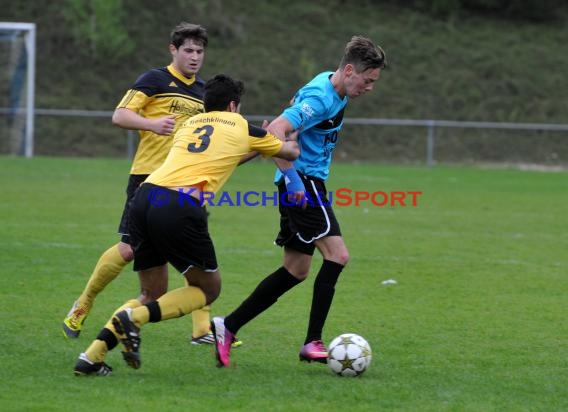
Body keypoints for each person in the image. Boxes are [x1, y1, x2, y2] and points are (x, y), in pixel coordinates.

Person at [73, 74, 300, 376]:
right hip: (178, 206)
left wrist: (258, 146)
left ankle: (91, 357)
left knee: (151, 292)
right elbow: (289, 152)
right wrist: (291, 135)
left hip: (145, 197)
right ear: (234, 105)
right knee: (208, 289)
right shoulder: (242, 125)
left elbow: (224, 156)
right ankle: (135, 319)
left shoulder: (190, 125)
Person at [211, 35, 387, 367]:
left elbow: (282, 127)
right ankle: (312, 342)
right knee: (338, 255)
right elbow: (277, 130)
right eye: (368, 80)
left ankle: (228, 325)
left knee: (296, 269)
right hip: (304, 184)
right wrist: (292, 179)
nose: (370, 87)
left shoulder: (331, 86)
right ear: (349, 70)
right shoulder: (321, 96)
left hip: (302, 182)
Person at [62, 22, 225, 346]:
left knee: (197, 250)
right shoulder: (154, 80)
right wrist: (151, 123)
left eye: (199, 51)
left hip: (188, 183)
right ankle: (83, 304)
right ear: (173, 50)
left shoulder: (204, 92)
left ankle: (201, 329)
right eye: (188, 50)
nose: (194, 57)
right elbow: (120, 116)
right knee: (127, 250)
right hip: (148, 179)